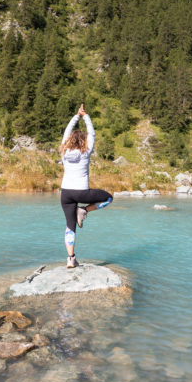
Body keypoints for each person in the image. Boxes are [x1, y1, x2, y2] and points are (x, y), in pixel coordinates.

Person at [59, 104, 112, 268]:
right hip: (82, 193)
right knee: (109, 198)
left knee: (70, 226)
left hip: (66, 193)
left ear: (68, 141)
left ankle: (70, 258)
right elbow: (92, 133)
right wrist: (85, 116)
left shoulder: (64, 152)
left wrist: (75, 117)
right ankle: (83, 210)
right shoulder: (86, 151)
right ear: (84, 142)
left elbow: (66, 132)